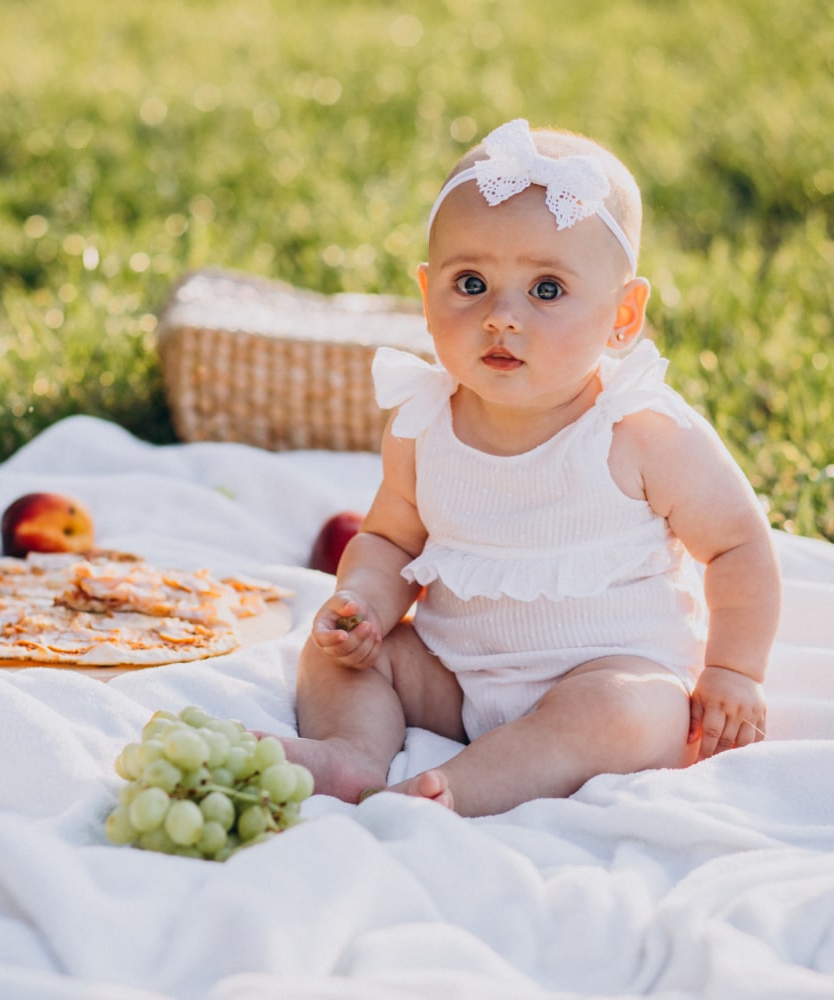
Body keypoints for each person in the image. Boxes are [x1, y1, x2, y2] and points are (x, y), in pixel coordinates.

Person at [285, 119, 782, 817]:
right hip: (453, 674)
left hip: (602, 670)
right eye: (471, 282)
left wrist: (734, 670)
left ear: (623, 315)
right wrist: (364, 604)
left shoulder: (639, 428)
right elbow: (391, 540)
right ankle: (352, 755)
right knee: (334, 656)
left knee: (623, 716)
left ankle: (461, 789)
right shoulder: (424, 422)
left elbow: (737, 542)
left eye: (546, 290)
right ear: (426, 293)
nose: (501, 316)